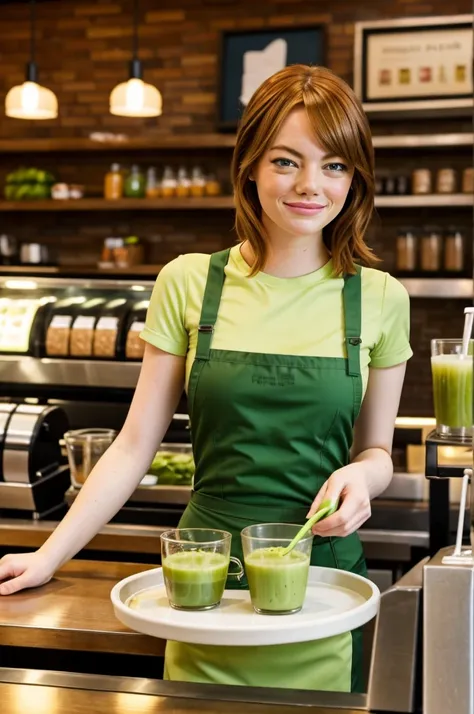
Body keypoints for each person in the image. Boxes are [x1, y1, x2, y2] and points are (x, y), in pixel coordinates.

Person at [0, 64, 412, 693]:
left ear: (354, 178)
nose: (310, 185)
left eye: (334, 165)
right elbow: (135, 444)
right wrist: (47, 556)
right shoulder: (189, 282)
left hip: (322, 583)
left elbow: (376, 451)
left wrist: (364, 476)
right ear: (249, 166)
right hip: (203, 579)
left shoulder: (380, 297)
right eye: (285, 161)